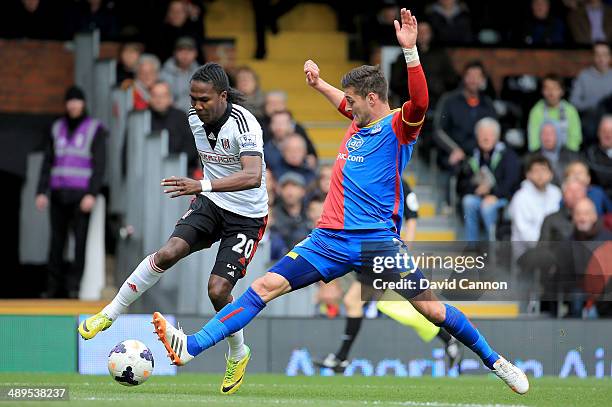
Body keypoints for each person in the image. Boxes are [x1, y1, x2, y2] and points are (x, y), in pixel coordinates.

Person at [152, 9, 529, 395]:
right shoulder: (358, 119)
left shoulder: (399, 127)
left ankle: (496, 362)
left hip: (375, 242)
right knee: (264, 286)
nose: (346, 107)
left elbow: (420, 100)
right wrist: (318, 85)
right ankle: (192, 346)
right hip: (328, 240)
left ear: (372, 98)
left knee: (430, 309)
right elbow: (341, 101)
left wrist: (411, 53)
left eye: (352, 100)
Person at [79, 63, 268, 395]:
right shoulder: (194, 119)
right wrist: (202, 192)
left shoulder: (245, 123)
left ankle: (238, 353)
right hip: (210, 204)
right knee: (168, 252)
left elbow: (253, 176)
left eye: (204, 99)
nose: (197, 105)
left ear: (223, 96)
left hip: (247, 217)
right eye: (193, 98)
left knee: (217, 290)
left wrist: (201, 185)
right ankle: (110, 313)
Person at [314, 181, 464, 373]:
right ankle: (449, 340)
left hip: (385, 249)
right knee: (397, 303)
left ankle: (341, 358)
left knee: (360, 301)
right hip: (373, 247)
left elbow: (412, 219)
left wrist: (403, 250)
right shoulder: (370, 176)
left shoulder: (399, 182)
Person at [35, 86, 107, 298]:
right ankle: (52, 288)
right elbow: (48, 162)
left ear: (83, 104)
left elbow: (99, 164)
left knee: (79, 243)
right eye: (70, 101)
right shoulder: (56, 128)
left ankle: (74, 288)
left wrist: (92, 194)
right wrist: (41, 191)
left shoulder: (94, 128)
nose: (73, 105)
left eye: (77, 101)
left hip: (81, 196)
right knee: (56, 243)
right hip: (58, 194)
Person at [457, 118, 521, 241]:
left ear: (497, 137)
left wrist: (495, 195)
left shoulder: (507, 154)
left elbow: (511, 182)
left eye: (490, 134)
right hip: (481, 197)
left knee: (487, 207)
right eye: (482, 134)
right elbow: (462, 183)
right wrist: (477, 189)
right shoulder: (473, 155)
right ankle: (472, 247)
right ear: (477, 136)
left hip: (503, 198)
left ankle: (493, 246)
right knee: (468, 201)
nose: (486, 138)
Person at [508, 155, 561, 257]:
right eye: (536, 171)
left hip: (553, 246)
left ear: (551, 174)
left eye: (544, 170)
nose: (540, 175)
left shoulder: (557, 193)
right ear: (528, 175)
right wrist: (546, 245)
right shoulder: (520, 197)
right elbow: (524, 233)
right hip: (527, 251)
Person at [148, 81, 199, 175]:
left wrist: (176, 163)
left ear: (170, 98)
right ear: (149, 98)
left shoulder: (180, 117)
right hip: (149, 172)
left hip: (179, 172)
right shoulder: (143, 118)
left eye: (163, 96)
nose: (158, 100)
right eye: (155, 95)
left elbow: (191, 147)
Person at [527, 73, 582, 152]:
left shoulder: (570, 111)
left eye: (555, 88)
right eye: (547, 89)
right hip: (543, 155)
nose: (551, 93)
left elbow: (575, 139)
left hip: (566, 155)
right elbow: (533, 142)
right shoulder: (536, 111)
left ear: (562, 91)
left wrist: (567, 155)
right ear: (542, 91)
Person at [533, 120, 581, 185]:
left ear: (558, 135)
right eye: (544, 133)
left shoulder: (572, 156)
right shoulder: (532, 157)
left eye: (551, 133)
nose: (547, 137)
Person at [160, 37, 200, 113]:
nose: (185, 55)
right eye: (181, 50)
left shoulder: (202, 74)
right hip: (171, 115)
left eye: (189, 51)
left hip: (195, 116)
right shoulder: (164, 73)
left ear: (195, 53)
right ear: (175, 53)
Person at [585, 115, 612, 198]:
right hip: (601, 197)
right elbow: (599, 177)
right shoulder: (591, 153)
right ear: (598, 133)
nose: (607, 135)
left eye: (611, 131)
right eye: (604, 131)